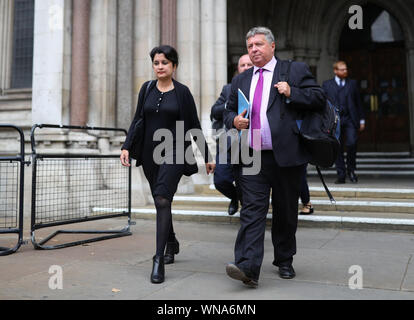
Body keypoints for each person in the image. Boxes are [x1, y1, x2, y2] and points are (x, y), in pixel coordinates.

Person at [223, 27, 326, 288]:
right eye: (250, 46)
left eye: (258, 44)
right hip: (252, 156)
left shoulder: (294, 70)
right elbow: (228, 110)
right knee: (252, 212)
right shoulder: (241, 80)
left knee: (286, 211)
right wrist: (234, 120)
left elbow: (319, 97)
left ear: (272, 46)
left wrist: (293, 93)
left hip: (287, 155)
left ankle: (284, 259)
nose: (254, 49)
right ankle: (247, 266)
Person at [120, 45, 215, 284]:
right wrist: (126, 147)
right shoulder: (147, 88)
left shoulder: (182, 92)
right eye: (156, 63)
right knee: (161, 200)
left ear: (174, 65)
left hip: (175, 151)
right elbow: (138, 119)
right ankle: (171, 242)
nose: (159, 66)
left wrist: (207, 155)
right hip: (150, 152)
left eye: (164, 62)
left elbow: (193, 125)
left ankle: (158, 259)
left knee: (162, 198)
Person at [210, 54, 253, 215]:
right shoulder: (228, 89)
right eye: (243, 65)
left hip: (254, 142)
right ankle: (235, 198)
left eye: (249, 65)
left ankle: (249, 211)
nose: (246, 68)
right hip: (232, 142)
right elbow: (215, 110)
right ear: (238, 68)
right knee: (220, 179)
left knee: (246, 181)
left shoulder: (261, 86)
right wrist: (229, 103)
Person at [322, 61, 365, 184]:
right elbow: (323, 104)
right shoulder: (327, 85)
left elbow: (358, 102)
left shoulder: (352, 84)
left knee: (352, 143)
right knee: (337, 147)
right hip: (335, 120)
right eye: (342, 69)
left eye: (346, 69)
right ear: (335, 71)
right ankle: (341, 174)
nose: (345, 71)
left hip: (350, 118)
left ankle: (351, 170)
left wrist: (362, 120)